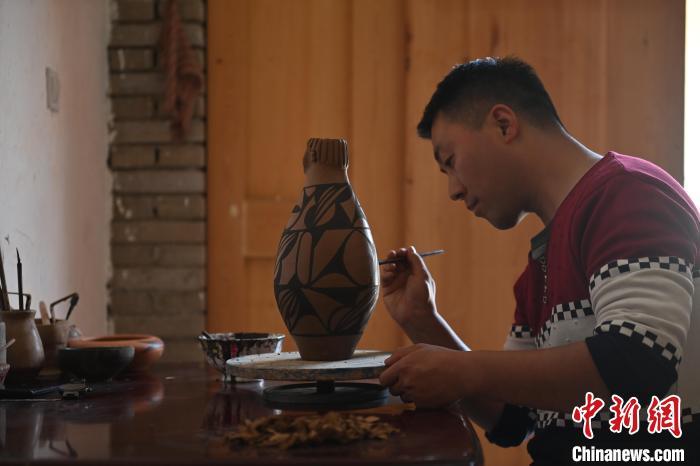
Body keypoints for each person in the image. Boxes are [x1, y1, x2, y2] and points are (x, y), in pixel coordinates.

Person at [378, 56, 699, 465]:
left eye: (450, 161)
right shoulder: (540, 264)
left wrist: (465, 369)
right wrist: (422, 320)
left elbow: (638, 363)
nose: (453, 190)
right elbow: (513, 418)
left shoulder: (629, 194)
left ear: (503, 124)